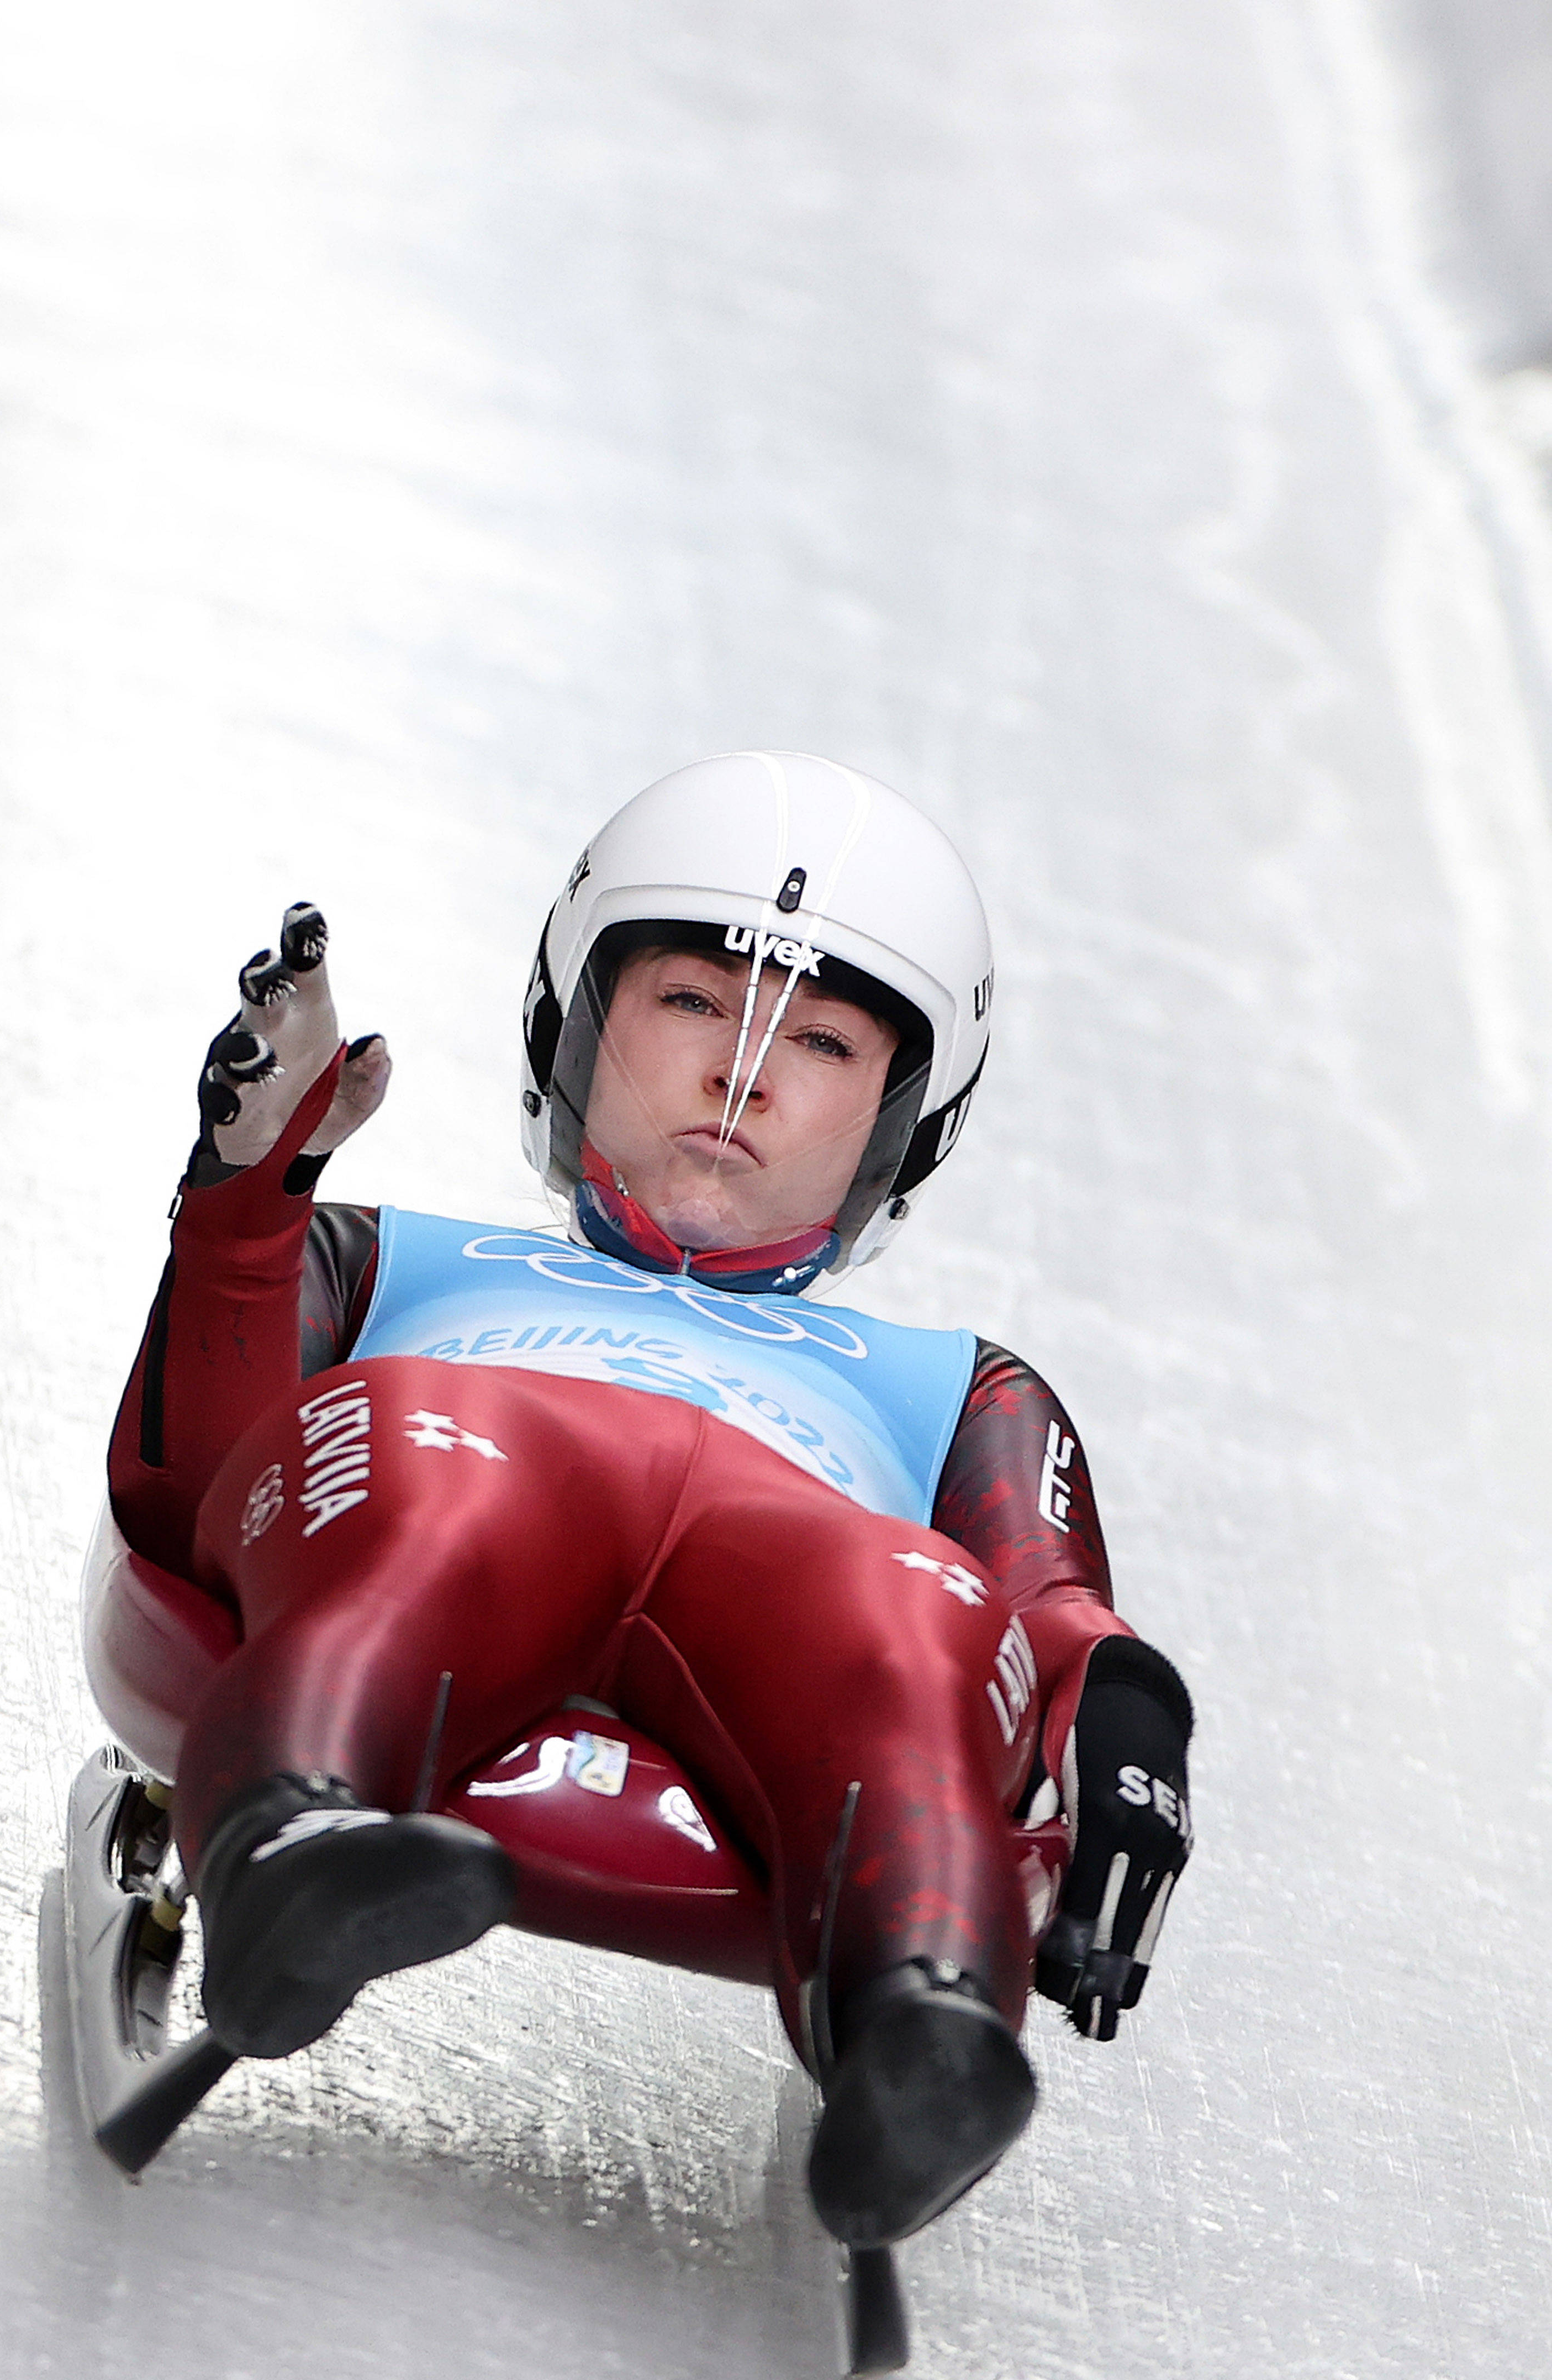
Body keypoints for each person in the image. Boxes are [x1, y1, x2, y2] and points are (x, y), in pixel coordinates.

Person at [100, 751, 1195, 2252]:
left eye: (821, 1041)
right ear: (575, 1021)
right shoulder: (383, 1253)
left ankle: (922, 2028)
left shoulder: (958, 1386)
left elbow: (1055, 1617)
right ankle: (297, 1844)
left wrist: (1134, 1748)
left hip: (802, 1555)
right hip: (476, 1452)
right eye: (691, 1001)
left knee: (906, 1623)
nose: (741, 1079)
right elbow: (189, 1498)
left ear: (904, 1120)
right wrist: (245, 1204)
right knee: (439, 1481)